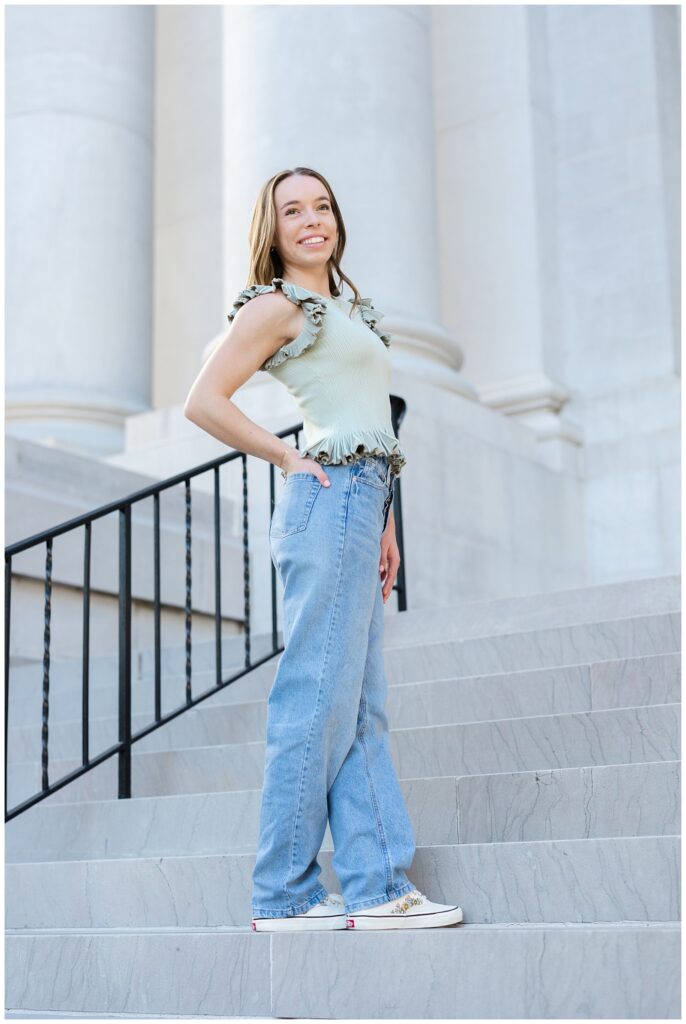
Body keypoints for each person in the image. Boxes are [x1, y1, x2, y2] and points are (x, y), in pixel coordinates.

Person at [184, 166, 463, 932]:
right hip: (327, 496)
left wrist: (387, 523)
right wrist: (285, 459)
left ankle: (378, 888)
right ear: (272, 231)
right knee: (315, 699)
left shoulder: (345, 307)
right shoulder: (279, 305)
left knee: (359, 709)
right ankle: (285, 893)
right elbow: (203, 399)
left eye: (323, 205)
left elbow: (368, 418)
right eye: (292, 211)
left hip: (361, 501)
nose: (312, 219)